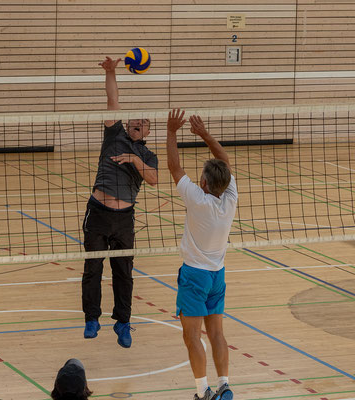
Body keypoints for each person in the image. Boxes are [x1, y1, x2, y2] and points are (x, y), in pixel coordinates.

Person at [82, 56, 159, 348]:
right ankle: (92, 318)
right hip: (99, 213)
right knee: (93, 268)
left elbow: (153, 179)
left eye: (144, 122)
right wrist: (112, 71)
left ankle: (123, 323)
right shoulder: (114, 134)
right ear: (127, 123)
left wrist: (133, 159)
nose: (139, 122)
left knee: (123, 272)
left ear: (148, 131)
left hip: (125, 218)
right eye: (135, 119)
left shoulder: (148, 156)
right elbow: (112, 98)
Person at [166, 109, 238, 400]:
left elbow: (174, 167)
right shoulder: (230, 196)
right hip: (217, 275)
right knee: (217, 334)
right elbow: (225, 162)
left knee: (191, 336)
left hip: (195, 276)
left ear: (205, 184)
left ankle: (202, 392)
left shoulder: (198, 200)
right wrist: (205, 134)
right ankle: (224, 386)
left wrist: (172, 131)